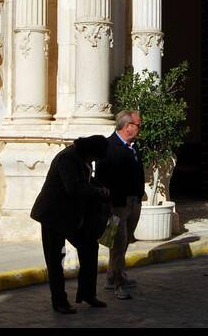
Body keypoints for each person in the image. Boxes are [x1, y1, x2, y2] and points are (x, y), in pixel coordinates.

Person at [30, 135, 110, 313]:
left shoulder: (82, 159)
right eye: (95, 157)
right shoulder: (67, 158)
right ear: (89, 151)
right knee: (55, 260)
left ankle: (88, 294)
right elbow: (73, 187)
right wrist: (97, 192)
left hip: (72, 217)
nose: (95, 161)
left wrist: (99, 186)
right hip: (53, 216)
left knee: (89, 248)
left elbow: (86, 180)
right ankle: (59, 302)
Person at [97, 109, 145, 299]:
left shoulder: (132, 146)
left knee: (124, 242)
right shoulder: (109, 147)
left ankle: (113, 275)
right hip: (117, 205)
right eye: (138, 125)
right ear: (128, 126)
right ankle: (119, 284)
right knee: (117, 243)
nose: (140, 129)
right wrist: (108, 204)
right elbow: (102, 178)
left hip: (133, 202)